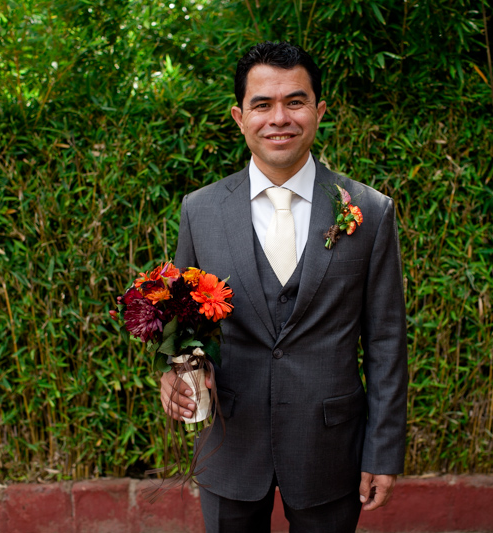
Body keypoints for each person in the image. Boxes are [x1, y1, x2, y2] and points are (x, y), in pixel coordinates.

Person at [159, 41, 407, 533]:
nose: (280, 118)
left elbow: (385, 341)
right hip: (230, 442)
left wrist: (383, 449)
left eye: (295, 101)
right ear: (239, 115)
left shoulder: (370, 211)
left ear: (319, 110)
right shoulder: (200, 210)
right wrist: (173, 370)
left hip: (330, 446)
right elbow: (182, 321)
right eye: (262, 104)